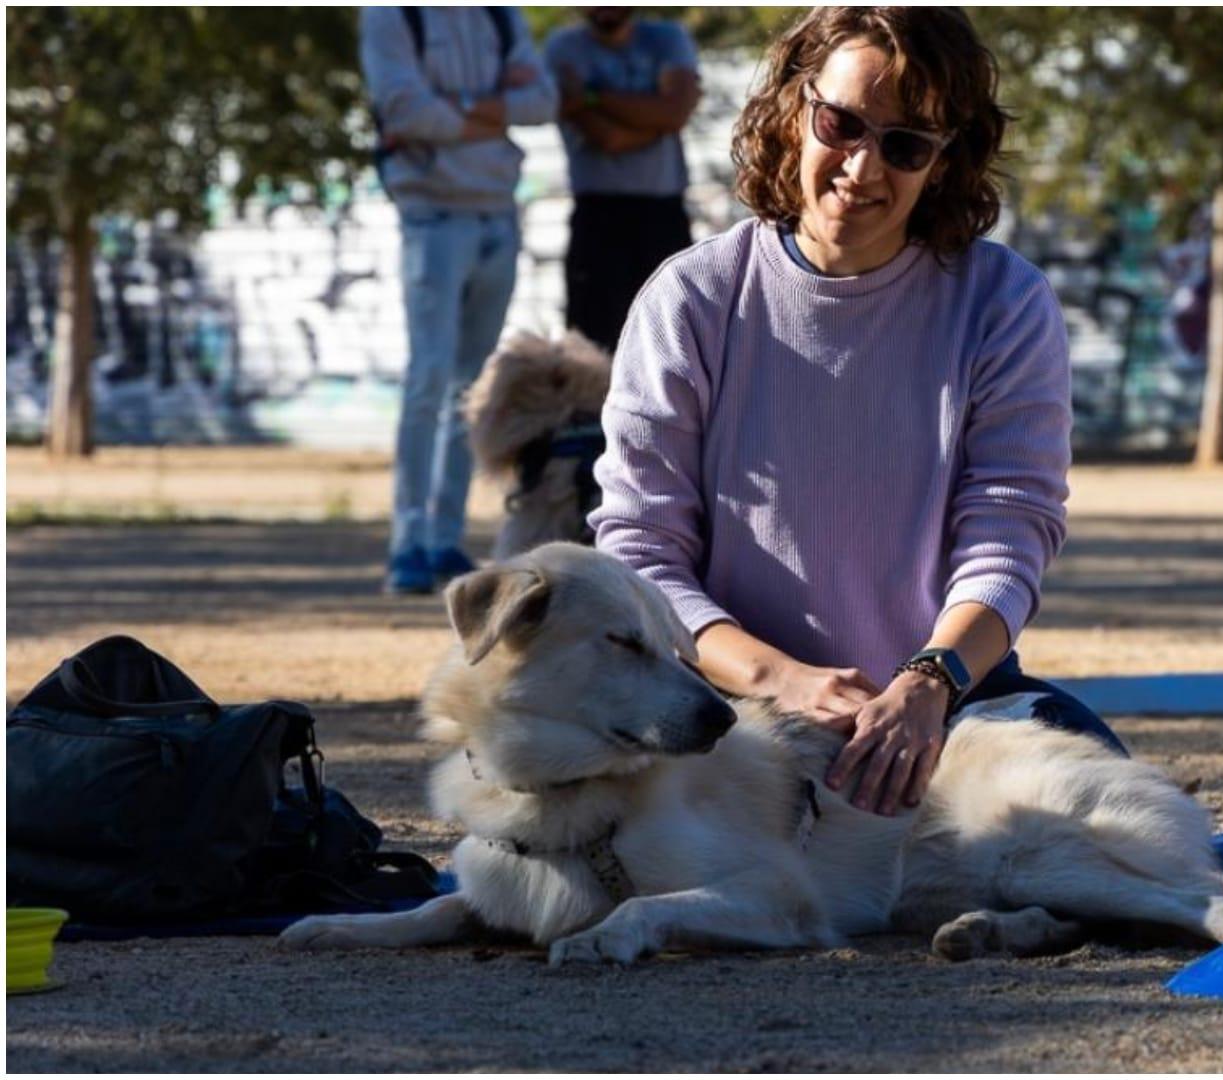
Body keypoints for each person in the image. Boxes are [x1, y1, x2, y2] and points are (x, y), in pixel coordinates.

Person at [588, 7, 1124, 822]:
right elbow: (639, 550)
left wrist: (927, 684)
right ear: (794, 110)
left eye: (906, 145)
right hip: (730, 714)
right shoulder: (691, 298)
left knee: (1105, 819)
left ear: (945, 163)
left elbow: (1008, 531)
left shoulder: (1004, 302)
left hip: (945, 702)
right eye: (841, 124)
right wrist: (780, 679)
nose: (862, 165)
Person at [360, 6, 557, 595]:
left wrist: (457, 112)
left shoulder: (499, 15)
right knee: (428, 379)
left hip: (498, 211)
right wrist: (494, 108)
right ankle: (407, 544)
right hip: (433, 214)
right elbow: (402, 108)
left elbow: (543, 102)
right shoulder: (395, 15)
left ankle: (444, 540)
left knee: (470, 390)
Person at [543, 8, 702, 353]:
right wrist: (654, 122)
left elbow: (675, 111)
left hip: (663, 212)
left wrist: (591, 96)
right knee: (594, 348)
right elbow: (607, 138)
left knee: (678, 339)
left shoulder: (668, 38)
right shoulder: (563, 48)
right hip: (598, 213)